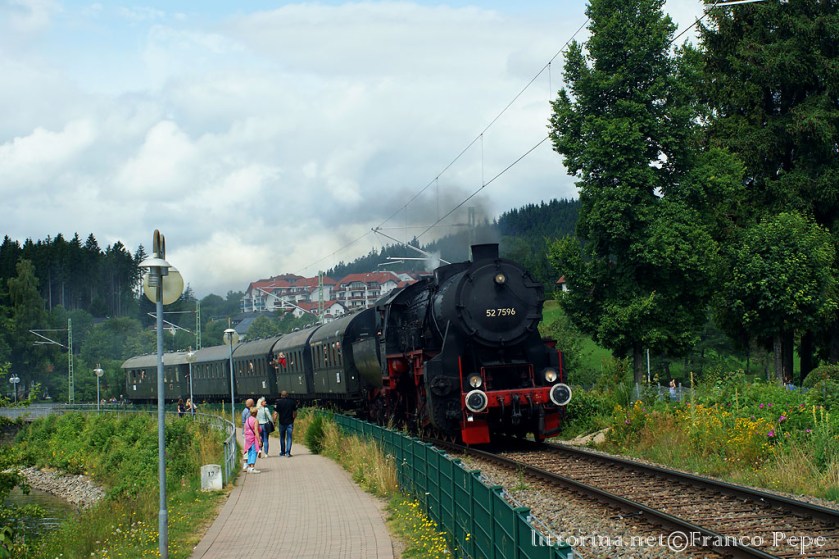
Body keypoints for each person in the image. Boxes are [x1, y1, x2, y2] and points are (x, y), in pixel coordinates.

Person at [274, 390, 297, 457]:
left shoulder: (278, 402)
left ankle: (282, 452)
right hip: (290, 422)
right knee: (289, 437)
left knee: (282, 437)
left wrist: (274, 421)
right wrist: (293, 419)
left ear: (281, 395)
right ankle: (288, 452)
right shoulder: (292, 402)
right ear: (287, 395)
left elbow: (275, 413)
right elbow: (295, 412)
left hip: (281, 422)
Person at [243, 406, 262, 473]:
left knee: (250, 452)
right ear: (256, 413)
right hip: (253, 438)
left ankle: (249, 467)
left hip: (248, 438)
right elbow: (256, 431)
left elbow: (245, 429)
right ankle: (252, 467)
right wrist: (259, 440)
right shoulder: (255, 420)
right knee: (254, 452)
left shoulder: (247, 420)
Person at [241, 398, 254, 471]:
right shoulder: (248, 412)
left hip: (246, 432)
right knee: (249, 448)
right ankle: (247, 464)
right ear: (251, 404)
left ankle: (247, 464)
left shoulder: (245, 411)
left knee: (247, 448)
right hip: (248, 433)